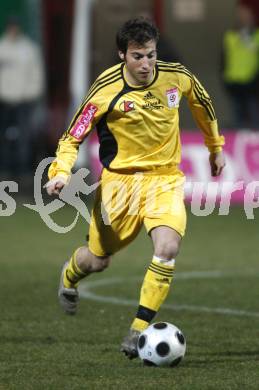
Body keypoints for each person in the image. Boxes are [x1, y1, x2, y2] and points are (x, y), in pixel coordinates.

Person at [45, 17, 225, 359]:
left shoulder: (177, 78)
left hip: (164, 179)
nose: (146, 65)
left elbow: (203, 105)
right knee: (98, 260)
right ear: (122, 55)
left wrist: (215, 148)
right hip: (119, 186)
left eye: (151, 55)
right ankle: (69, 274)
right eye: (138, 56)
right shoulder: (105, 89)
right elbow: (73, 135)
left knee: (168, 247)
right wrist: (61, 171)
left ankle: (138, 330)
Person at [0, 16, 44, 179]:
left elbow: (36, 73)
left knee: (23, 137)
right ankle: (4, 167)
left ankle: (22, 168)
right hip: (3, 100)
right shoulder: (2, 47)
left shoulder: (28, 49)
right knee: (3, 136)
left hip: (23, 100)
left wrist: (32, 94)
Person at [221, 3, 259, 128]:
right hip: (234, 81)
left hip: (252, 82)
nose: (243, 17)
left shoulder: (256, 35)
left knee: (254, 114)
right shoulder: (230, 35)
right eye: (240, 15)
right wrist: (224, 76)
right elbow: (224, 58)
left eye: (245, 15)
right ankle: (240, 144)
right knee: (237, 115)